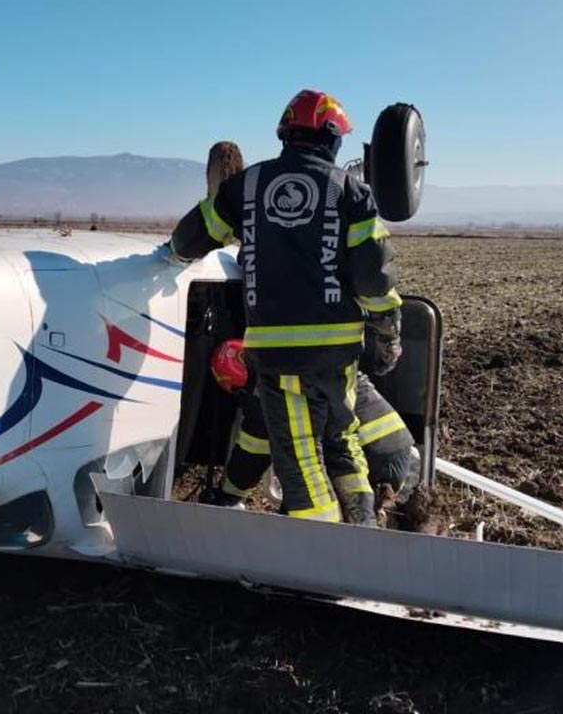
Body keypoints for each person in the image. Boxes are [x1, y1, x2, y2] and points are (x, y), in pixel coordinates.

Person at [167, 89, 402, 526]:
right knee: (342, 441)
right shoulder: (350, 190)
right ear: (332, 138)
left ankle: (328, 555)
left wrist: (170, 256)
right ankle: (364, 527)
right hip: (338, 356)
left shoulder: (248, 185)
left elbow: (189, 239)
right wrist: (386, 330)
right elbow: (374, 279)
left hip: (280, 357)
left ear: (286, 135)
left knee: (302, 467)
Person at [201, 339, 418, 514]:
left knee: (302, 515)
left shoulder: (264, 391)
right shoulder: (296, 359)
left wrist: (227, 495)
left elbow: (253, 453)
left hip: (362, 459)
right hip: (397, 451)